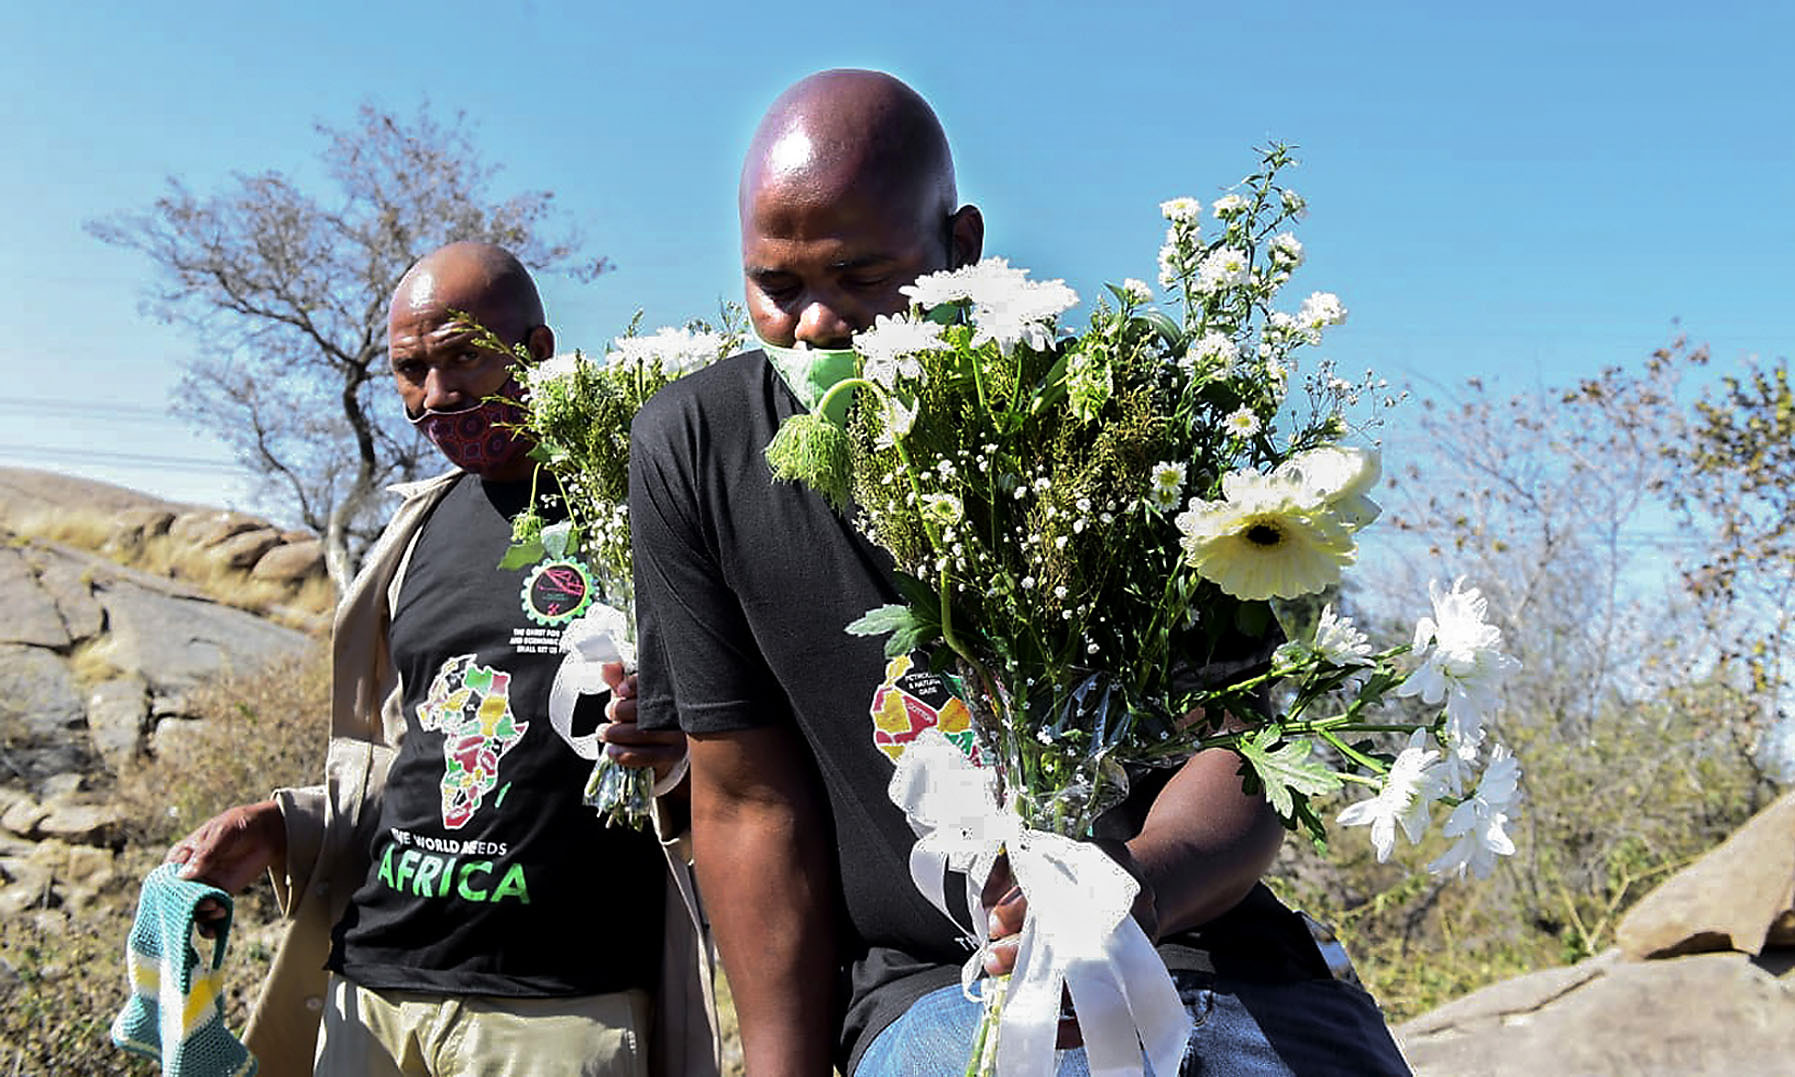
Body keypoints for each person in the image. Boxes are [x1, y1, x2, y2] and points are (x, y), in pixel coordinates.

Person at [629, 70, 1411, 1076]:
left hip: (1210, 961)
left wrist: (1122, 899)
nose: (816, 323)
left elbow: (1250, 745)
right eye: (777, 289)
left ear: (961, 247)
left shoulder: (1122, 423)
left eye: (863, 276)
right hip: (933, 989)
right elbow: (745, 801)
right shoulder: (694, 448)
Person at [168, 241, 717, 1077]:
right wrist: (281, 826)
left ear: (537, 352)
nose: (437, 395)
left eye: (463, 356)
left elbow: (741, 740)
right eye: (409, 368)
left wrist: (673, 750)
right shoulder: (414, 531)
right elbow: (408, 764)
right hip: (373, 990)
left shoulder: (640, 501)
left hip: (557, 1007)